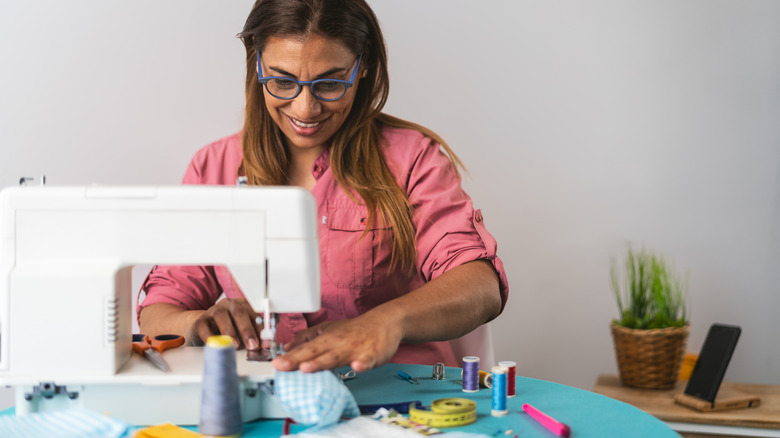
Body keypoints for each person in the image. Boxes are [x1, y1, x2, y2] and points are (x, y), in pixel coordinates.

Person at [138, 0, 509, 374]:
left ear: (362, 66)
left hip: (397, 394)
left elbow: (480, 287)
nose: (304, 109)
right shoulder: (213, 168)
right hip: (276, 394)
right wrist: (197, 324)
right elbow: (158, 311)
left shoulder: (412, 160)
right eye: (282, 81)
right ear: (256, 63)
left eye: (329, 84)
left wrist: (386, 321)